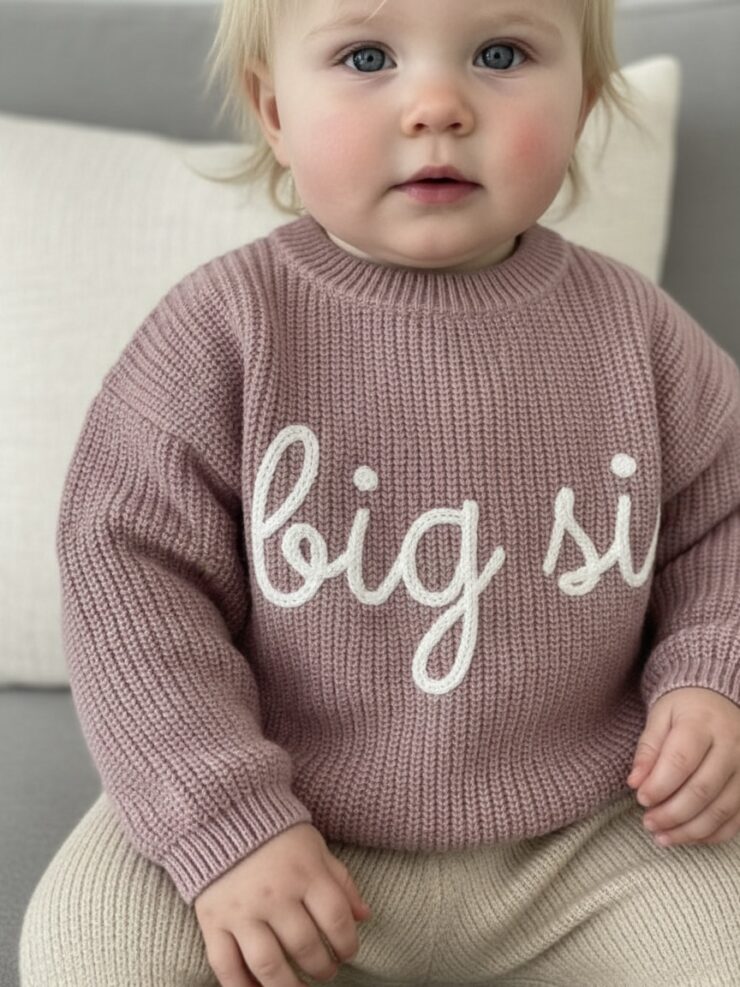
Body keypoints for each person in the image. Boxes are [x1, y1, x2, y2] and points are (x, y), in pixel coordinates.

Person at [19, 0, 740, 984]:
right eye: (366, 57)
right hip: (280, 823)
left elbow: (724, 516)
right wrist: (223, 823)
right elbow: (129, 579)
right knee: (90, 953)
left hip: (593, 833)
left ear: (580, 102)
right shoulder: (224, 329)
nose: (437, 105)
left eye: (500, 53)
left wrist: (711, 672)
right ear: (275, 112)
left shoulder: (634, 331)